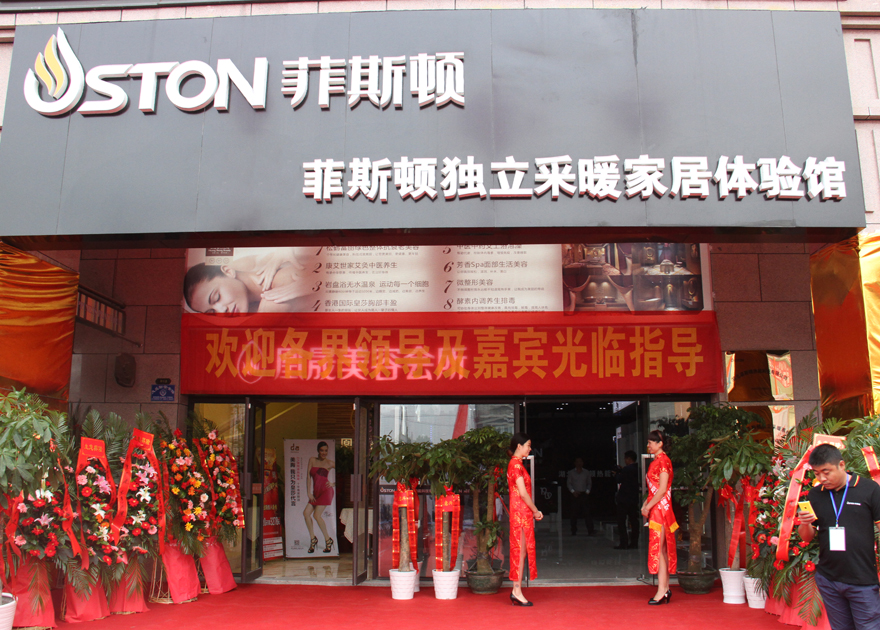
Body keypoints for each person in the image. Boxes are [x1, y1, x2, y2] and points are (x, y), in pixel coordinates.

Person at [797, 444, 880, 630]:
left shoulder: (869, 489)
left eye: (826, 472)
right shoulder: (815, 494)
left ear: (841, 465)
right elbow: (807, 537)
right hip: (829, 578)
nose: (822, 478)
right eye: (816, 473)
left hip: (862, 580)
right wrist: (804, 523)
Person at [183, 248, 316, 314]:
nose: (221, 311)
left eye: (217, 297)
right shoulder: (254, 310)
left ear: (228, 271)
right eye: (212, 312)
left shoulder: (274, 300)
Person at [641, 430, 678, 605]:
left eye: (651, 442)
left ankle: (662, 590)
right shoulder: (657, 461)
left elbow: (662, 489)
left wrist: (647, 506)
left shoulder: (663, 461)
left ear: (660, 443)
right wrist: (646, 505)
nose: (648, 445)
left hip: (660, 511)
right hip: (658, 509)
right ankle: (665, 588)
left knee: (661, 550)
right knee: (662, 550)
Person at [508, 432, 543, 607]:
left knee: (520, 551)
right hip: (521, 514)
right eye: (528, 445)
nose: (529, 448)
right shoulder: (516, 465)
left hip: (520, 513)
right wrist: (535, 510)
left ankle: (517, 589)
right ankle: (516, 590)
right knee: (519, 551)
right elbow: (522, 493)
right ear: (519, 446)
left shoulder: (516, 464)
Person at [304, 442, 335, 554]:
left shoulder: (330, 463)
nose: (324, 453)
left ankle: (328, 539)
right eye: (322, 450)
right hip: (315, 493)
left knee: (316, 515)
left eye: (326, 451)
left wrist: (333, 484)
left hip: (326, 492)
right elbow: (308, 477)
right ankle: (313, 539)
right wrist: (309, 493)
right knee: (306, 514)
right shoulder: (312, 460)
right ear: (318, 450)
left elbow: (347, 471)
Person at [614, 450, 640, 549]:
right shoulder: (637, 469)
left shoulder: (626, 469)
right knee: (634, 521)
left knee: (621, 521)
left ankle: (623, 542)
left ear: (628, 459)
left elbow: (619, 480)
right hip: (633, 499)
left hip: (624, 499)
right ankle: (634, 542)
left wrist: (617, 473)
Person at [567, 457, 594, 536]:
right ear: (575, 463)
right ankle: (573, 530)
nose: (579, 463)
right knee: (573, 514)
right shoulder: (571, 473)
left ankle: (590, 530)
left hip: (584, 494)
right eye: (577, 462)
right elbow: (569, 483)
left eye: (580, 462)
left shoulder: (586, 472)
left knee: (587, 513)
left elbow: (589, 483)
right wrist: (573, 491)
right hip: (575, 495)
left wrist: (587, 492)